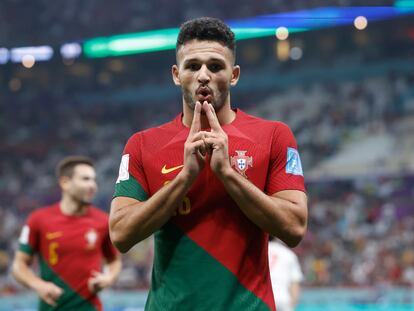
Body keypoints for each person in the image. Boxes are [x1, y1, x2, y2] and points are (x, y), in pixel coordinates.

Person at [110, 17, 308, 311]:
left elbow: (294, 228)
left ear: (234, 75)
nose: (203, 75)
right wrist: (184, 178)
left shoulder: (274, 136)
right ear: (177, 75)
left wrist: (227, 173)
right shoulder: (142, 145)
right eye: (193, 66)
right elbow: (120, 235)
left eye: (215, 66)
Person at [12, 156, 122, 311]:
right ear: (65, 183)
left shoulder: (103, 221)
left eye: (93, 180)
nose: (93, 185)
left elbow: (114, 261)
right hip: (51, 307)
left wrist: (108, 278)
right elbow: (19, 265)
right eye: (85, 179)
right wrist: (39, 285)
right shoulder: (38, 219)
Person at [268, 238, 304, 311]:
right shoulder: (289, 255)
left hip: (264, 298)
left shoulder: (259, 252)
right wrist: (292, 306)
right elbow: (295, 284)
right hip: (283, 299)